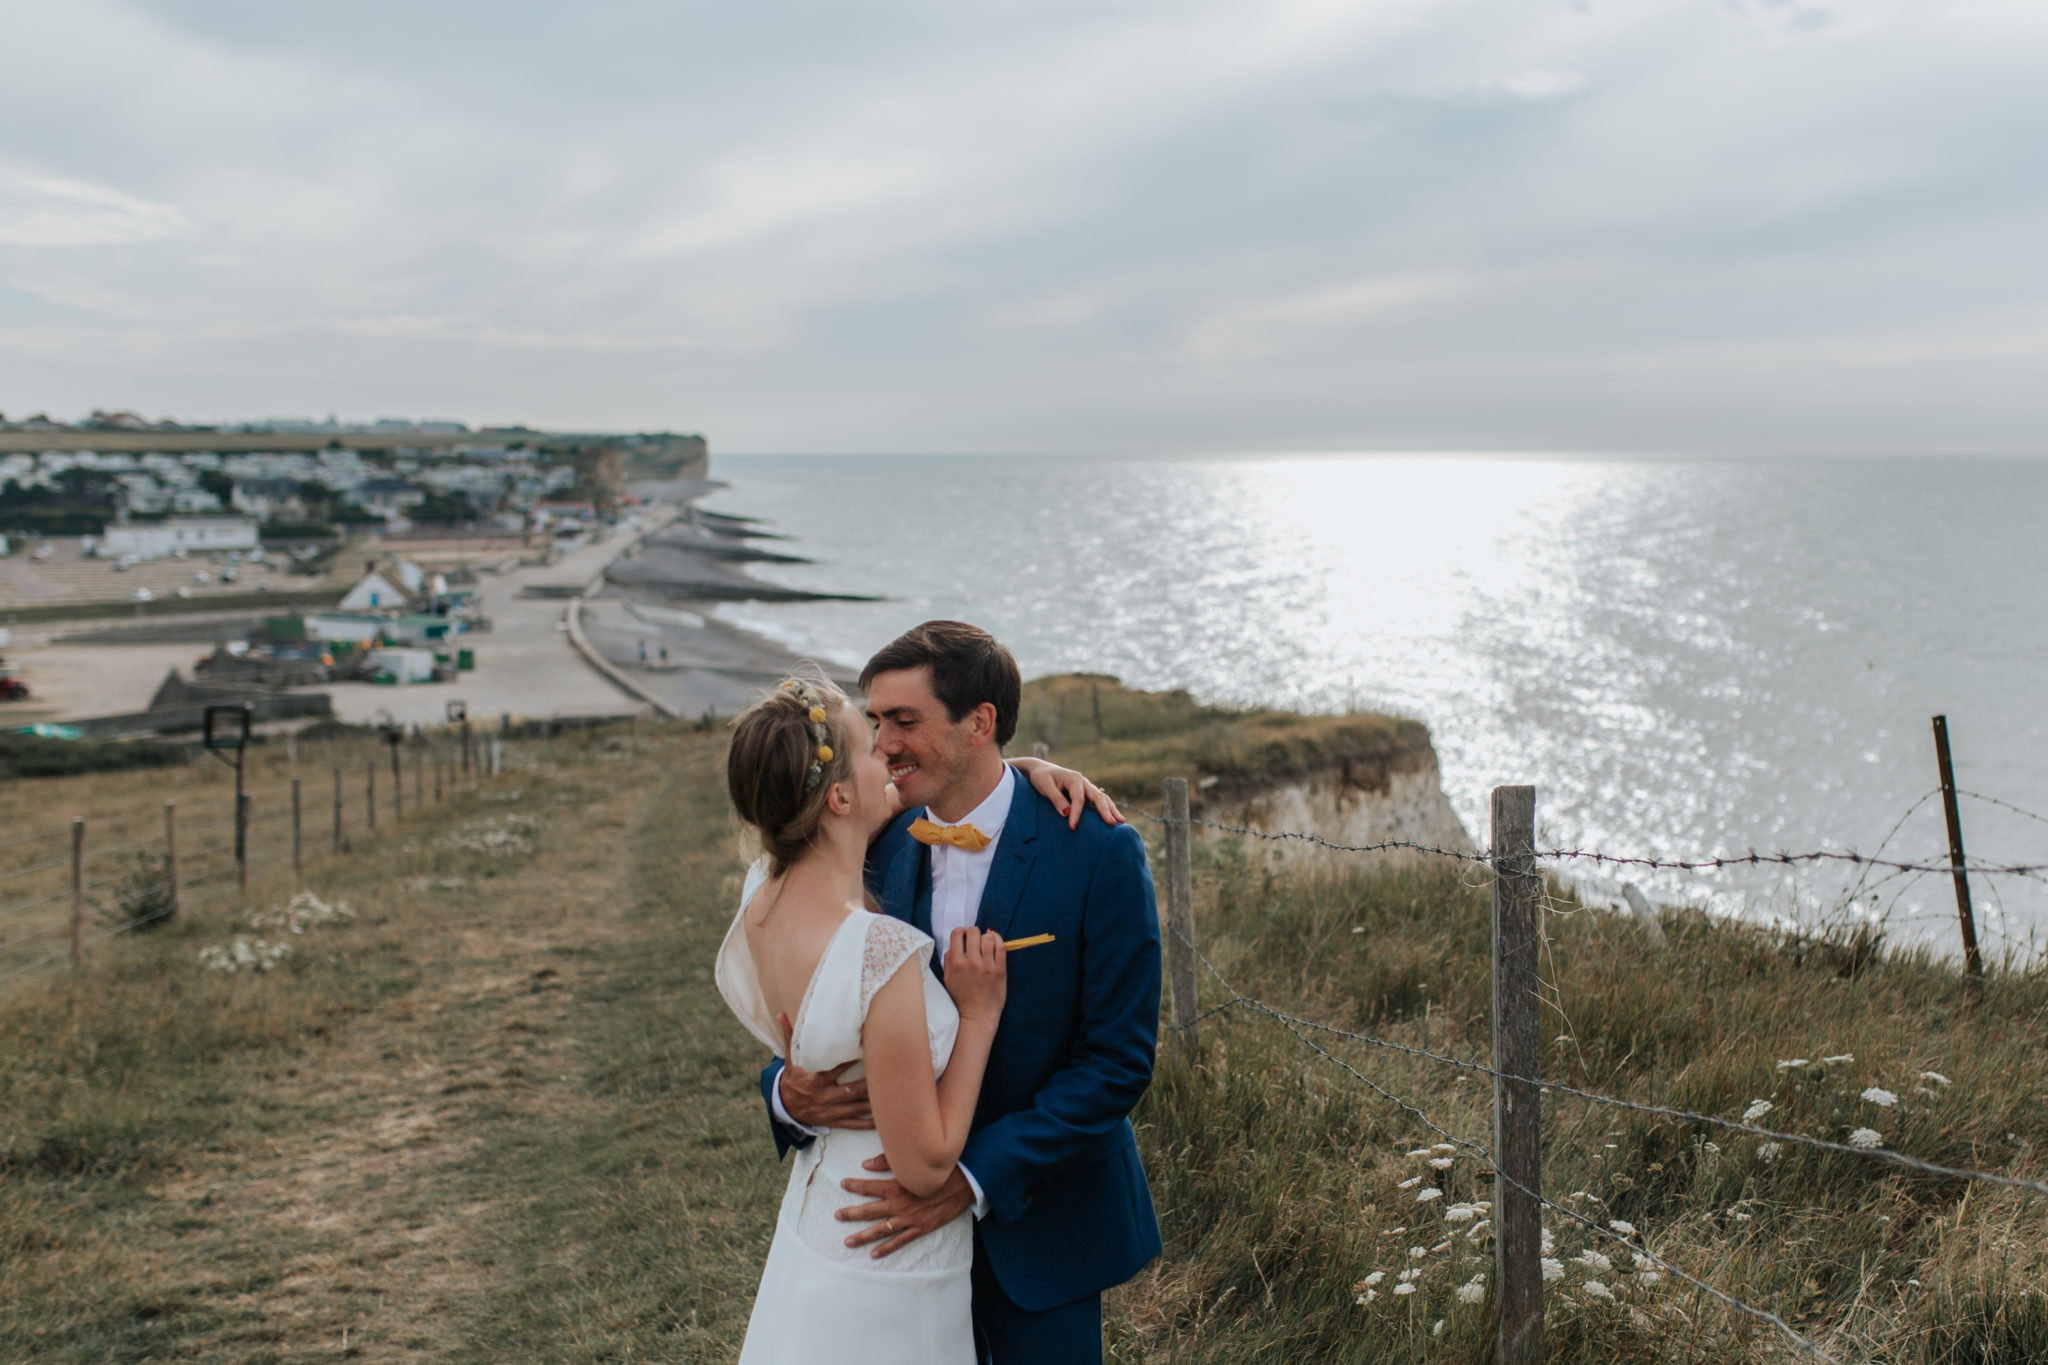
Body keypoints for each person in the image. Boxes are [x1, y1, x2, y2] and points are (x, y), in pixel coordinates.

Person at [761, 622, 1162, 1363]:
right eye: (875, 720)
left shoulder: (1098, 852)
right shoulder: (872, 840)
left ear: (980, 722)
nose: (881, 743)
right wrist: (788, 1091)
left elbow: (1117, 1062)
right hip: (886, 1251)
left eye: (904, 720)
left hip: (1042, 1232)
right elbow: (810, 1000)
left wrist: (971, 1179)